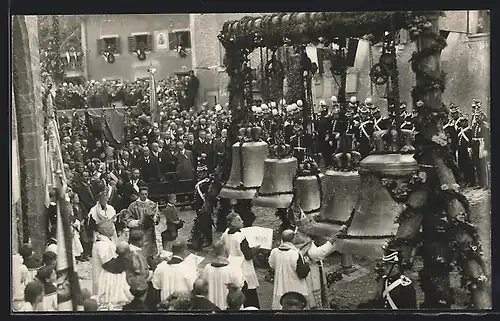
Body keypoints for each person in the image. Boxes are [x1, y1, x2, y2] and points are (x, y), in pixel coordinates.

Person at [291, 204, 348, 309]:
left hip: (296, 275)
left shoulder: (293, 235)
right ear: (304, 226)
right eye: (309, 225)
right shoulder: (304, 240)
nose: (311, 227)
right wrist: (333, 241)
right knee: (311, 301)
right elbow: (317, 254)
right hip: (309, 273)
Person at [220, 213, 260, 308]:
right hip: (244, 266)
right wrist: (256, 249)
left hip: (232, 264)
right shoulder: (240, 236)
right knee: (249, 293)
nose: (242, 221)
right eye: (238, 220)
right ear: (232, 224)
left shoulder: (226, 233)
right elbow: (248, 255)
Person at [268, 230, 310, 309]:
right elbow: (302, 274)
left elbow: (272, 265)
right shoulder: (296, 253)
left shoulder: (275, 252)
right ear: (293, 239)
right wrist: (307, 264)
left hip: (280, 287)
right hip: (295, 288)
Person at [91, 220, 130, 305]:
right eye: (111, 227)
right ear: (104, 231)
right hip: (104, 277)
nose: (113, 229)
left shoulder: (106, 242)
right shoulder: (102, 244)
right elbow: (108, 264)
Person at [202, 240, 244, 309]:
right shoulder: (233, 268)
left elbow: (204, 286)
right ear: (225, 251)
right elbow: (239, 284)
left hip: (212, 305)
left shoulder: (207, 268)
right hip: (229, 305)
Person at [125, 186, 160, 260]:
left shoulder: (152, 204)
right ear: (139, 194)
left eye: (146, 194)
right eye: (142, 194)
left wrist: (155, 218)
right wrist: (137, 222)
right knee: (137, 255)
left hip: (149, 234)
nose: (144, 196)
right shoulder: (133, 205)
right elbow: (128, 219)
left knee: (149, 255)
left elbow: (157, 218)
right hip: (138, 233)